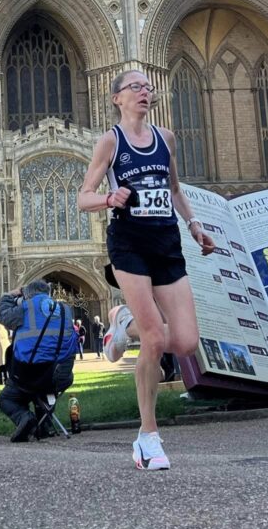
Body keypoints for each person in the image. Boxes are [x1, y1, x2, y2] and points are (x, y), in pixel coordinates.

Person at [78, 69, 214, 471]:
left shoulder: (166, 139)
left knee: (187, 341)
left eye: (148, 87)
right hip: (129, 243)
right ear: (117, 98)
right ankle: (147, 437)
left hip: (166, 242)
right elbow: (83, 197)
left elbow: (174, 190)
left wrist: (194, 225)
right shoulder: (111, 142)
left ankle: (122, 323)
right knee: (155, 337)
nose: (145, 92)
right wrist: (108, 198)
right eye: (135, 87)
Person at [0, 278, 80, 442]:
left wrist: (9, 295)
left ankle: (25, 418)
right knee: (44, 387)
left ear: (27, 295)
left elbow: (3, 316)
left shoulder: (26, 307)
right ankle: (44, 426)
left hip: (31, 376)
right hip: (61, 376)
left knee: (6, 398)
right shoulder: (65, 309)